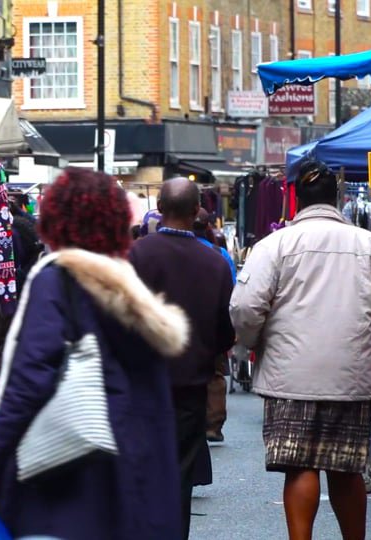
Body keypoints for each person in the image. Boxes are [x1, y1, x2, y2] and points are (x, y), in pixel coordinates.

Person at [0, 168, 189, 539]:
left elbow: (30, 378)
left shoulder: (58, 281)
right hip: (132, 487)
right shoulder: (132, 293)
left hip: (65, 481)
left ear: (55, 220)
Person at [229, 160, 371, 540]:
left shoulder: (274, 244)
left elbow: (245, 307)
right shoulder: (369, 246)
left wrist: (252, 343)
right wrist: (366, 339)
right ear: (338, 198)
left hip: (289, 375)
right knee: (345, 467)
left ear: (297, 198)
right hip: (351, 374)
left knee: (300, 465)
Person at [129, 178, 236, 539]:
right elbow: (226, 330)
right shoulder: (216, 263)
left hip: (140, 383)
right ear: (196, 212)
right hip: (190, 385)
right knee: (178, 478)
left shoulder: (136, 255)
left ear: (159, 208)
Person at [193, 208, 235, 443]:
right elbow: (232, 288)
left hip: (185, 323)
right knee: (216, 374)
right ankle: (214, 424)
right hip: (213, 323)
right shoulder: (220, 253)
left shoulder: (181, 250)